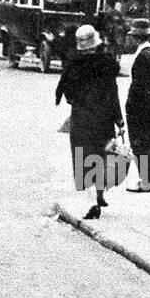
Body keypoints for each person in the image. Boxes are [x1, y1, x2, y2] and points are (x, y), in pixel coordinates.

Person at [56, 24, 126, 220]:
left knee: (83, 158)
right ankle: (100, 195)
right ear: (96, 43)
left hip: (82, 117)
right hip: (103, 118)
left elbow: (66, 93)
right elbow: (113, 93)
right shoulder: (107, 63)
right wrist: (119, 119)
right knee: (102, 156)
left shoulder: (73, 64)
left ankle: (91, 202)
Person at [125, 17, 150, 192]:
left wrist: (132, 106)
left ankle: (146, 181)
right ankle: (148, 179)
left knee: (140, 143)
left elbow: (139, 85)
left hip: (140, 108)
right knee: (148, 142)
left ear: (135, 38)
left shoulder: (143, 57)